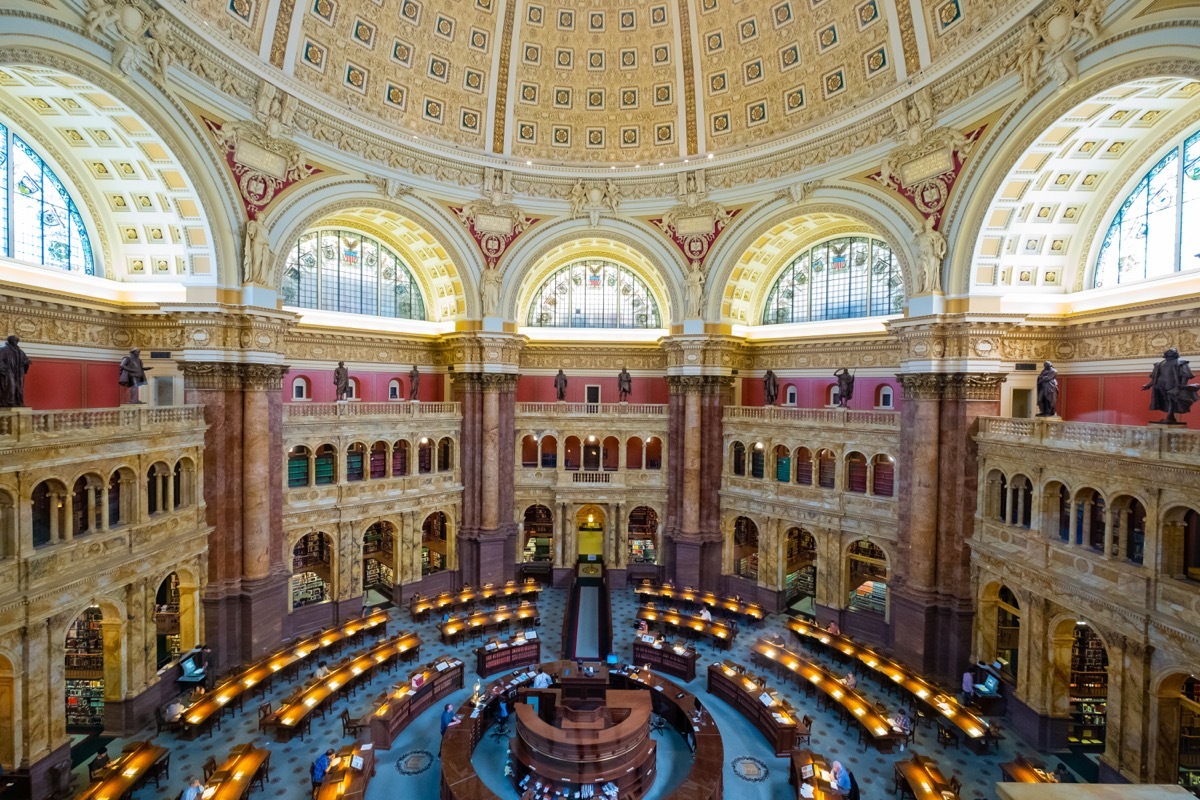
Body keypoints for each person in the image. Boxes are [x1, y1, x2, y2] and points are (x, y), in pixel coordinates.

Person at [1143, 347, 1199, 424]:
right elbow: (1155, 377)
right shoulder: (1159, 364)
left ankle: (1169, 417)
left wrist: (1182, 384)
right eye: (1169, 352)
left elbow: (1185, 374)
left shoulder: (1180, 363)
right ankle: (1171, 416)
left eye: (1172, 352)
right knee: (1165, 400)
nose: (1170, 353)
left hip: (1173, 385)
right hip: (1160, 385)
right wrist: (1148, 385)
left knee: (1171, 400)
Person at [0, 335, 31, 408]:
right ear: (9, 341)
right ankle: (8, 402)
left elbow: (25, 359)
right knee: (11, 385)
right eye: (14, 340)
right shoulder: (3, 350)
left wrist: (26, 362)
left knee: (19, 386)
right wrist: (4, 369)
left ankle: (18, 401)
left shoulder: (20, 351)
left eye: (16, 341)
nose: (15, 342)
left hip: (18, 372)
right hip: (8, 371)